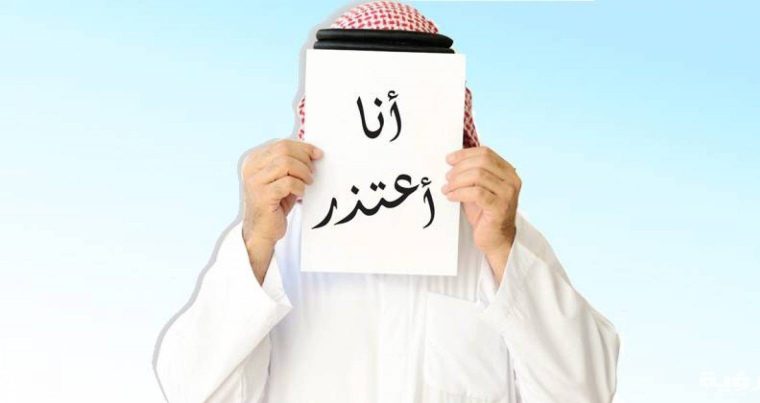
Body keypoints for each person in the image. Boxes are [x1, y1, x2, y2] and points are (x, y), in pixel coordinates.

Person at [154, 2, 620, 403]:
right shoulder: (278, 244)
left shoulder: (497, 237)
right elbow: (193, 392)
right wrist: (256, 243)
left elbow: (585, 392)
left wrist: (503, 247)